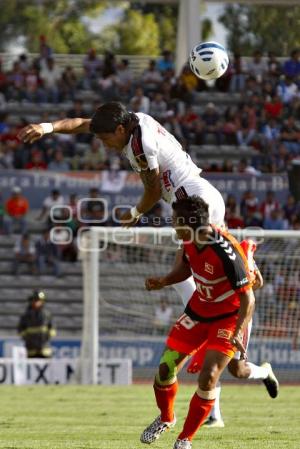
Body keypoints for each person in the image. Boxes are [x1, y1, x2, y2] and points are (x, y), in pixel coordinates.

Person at [141, 196, 279, 449]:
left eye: (175, 220)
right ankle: (166, 418)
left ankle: (184, 440)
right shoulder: (188, 239)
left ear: (187, 222)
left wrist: (238, 331)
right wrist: (163, 281)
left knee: (210, 377)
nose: (172, 224)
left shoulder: (226, 251)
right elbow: (185, 268)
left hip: (228, 317)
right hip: (199, 310)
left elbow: (249, 297)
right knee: (164, 370)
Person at [18, 290, 56, 358]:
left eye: (39, 301)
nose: (37, 302)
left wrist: (47, 336)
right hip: (31, 350)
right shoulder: (26, 315)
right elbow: (20, 330)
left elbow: (52, 329)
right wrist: (27, 338)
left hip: (45, 350)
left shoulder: (47, 314)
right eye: (36, 300)